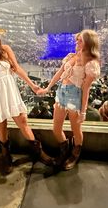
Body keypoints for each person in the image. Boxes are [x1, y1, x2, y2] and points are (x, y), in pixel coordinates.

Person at [0, 23, 52, 173]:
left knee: (22, 121)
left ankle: (39, 153)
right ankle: (6, 157)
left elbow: (17, 69)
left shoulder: (6, 50)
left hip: (10, 91)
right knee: (2, 125)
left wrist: (32, 85)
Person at [37, 29, 100, 171]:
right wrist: (48, 88)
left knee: (76, 129)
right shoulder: (71, 56)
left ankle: (75, 154)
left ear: (89, 43)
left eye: (80, 40)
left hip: (75, 95)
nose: (76, 42)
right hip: (61, 92)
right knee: (56, 128)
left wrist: (83, 111)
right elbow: (60, 73)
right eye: (77, 39)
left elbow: (86, 89)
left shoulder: (91, 63)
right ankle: (64, 150)